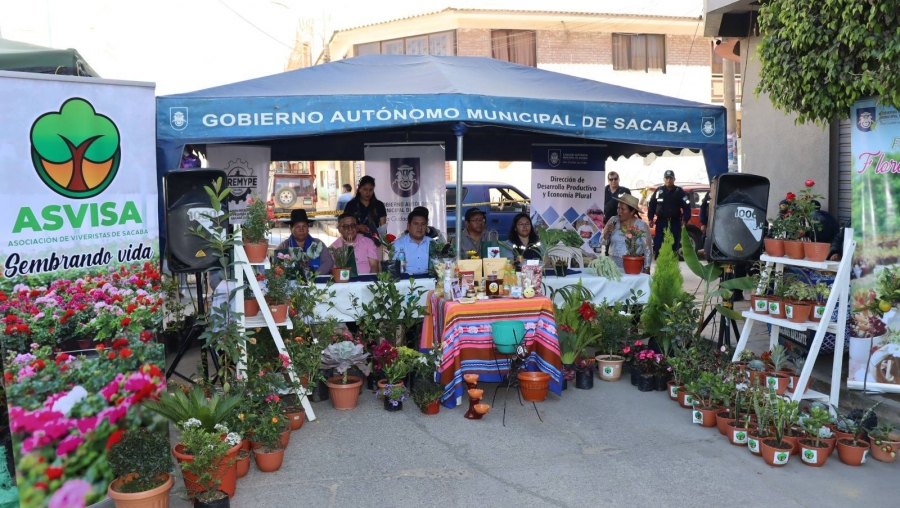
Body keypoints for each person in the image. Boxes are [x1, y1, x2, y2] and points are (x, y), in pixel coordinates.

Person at [601, 193, 652, 274]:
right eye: (618, 208)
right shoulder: (613, 220)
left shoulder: (642, 226)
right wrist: (606, 232)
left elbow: (648, 250)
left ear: (632, 212)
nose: (619, 211)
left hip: (633, 266)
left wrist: (647, 269)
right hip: (612, 266)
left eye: (623, 209)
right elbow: (602, 242)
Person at [647, 170, 691, 258]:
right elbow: (652, 205)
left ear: (674, 179)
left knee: (674, 245)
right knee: (658, 244)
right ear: (664, 179)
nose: (668, 180)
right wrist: (650, 218)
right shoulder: (659, 191)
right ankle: (659, 261)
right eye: (667, 178)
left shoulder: (679, 192)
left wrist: (685, 220)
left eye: (670, 178)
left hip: (674, 222)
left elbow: (687, 207)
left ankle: (672, 263)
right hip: (661, 222)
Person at [276, 209, 333, 274]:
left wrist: (314, 276)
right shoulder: (284, 246)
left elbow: (328, 262)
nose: (301, 229)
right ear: (291, 229)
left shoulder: (318, 244)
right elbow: (277, 266)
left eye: (304, 226)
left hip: (317, 282)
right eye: (298, 227)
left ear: (308, 228)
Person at [343, 175, 387, 242]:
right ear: (360, 189)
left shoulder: (379, 205)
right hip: (355, 242)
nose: (368, 193)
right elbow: (344, 224)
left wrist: (384, 241)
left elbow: (383, 228)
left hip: (374, 242)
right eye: (365, 189)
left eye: (371, 190)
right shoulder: (351, 205)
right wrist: (357, 227)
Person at [392, 208, 433, 274]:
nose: (420, 227)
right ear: (408, 226)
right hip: (405, 282)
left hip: (430, 281)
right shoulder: (398, 244)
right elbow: (393, 269)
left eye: (423, 224)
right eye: (416, 224)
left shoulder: (433, 243)